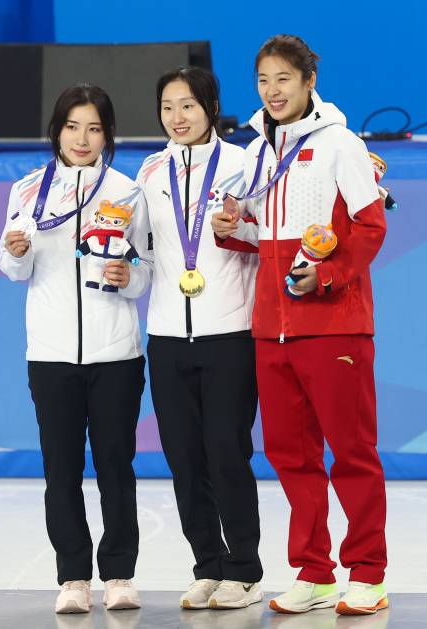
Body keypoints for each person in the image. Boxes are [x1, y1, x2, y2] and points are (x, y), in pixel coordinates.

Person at [212, 35, 388, 617]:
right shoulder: (256, 152)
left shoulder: (342, 145)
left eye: (283, 78)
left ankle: (367, 572)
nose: (272, 91)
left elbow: (368, 228)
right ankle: (314, 572)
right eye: (263, 81)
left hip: (334, 325)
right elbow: (262, 239)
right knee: (291, 457)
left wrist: (330, 277)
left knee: (352, 452)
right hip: (272, 328)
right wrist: (228, 226)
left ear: (309, 81)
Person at [0, 83, 153, 614]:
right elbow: (12, 267)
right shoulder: (27, 190)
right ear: (57, 131)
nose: (82, 138)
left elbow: (145, 271)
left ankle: (119, 574)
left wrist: (127, 274)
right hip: (50, 354)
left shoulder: (129, 191)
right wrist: (15, 251)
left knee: (116, 465)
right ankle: (72, 578)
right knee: (60, 469)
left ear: (108, 133)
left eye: (94, 128)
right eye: (72, 126)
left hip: (116, 354)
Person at [136, 67, 263, 610]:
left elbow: (267, 239)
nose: (177, 117)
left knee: (226, 453)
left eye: (188, 105)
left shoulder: (244, 163)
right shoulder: (149, 170)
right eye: (168, 107)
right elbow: (142, 250)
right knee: (184, 457)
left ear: (211, 107)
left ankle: (244, 571)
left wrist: (241, 230)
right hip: (166, 333)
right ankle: (207, 565)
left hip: (229, 331)